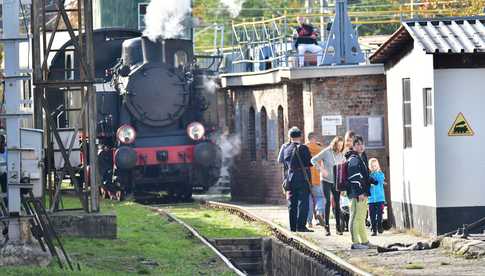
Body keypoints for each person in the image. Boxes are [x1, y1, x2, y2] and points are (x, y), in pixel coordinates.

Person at [278, 127, 313, 232]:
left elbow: (283, 162)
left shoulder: (286, 148)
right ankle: (301, 226)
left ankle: (293, 227)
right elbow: (309, 162)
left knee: (292, 203)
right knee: (304, 202)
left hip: (291, 178)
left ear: (290, 137)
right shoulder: (304, 148)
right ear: (300, 136)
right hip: (303, 178)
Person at [311, 136, 345, 236]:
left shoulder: (341, 155)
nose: (339, 147)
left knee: (337, 203)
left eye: (341, 146)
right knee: (327, 202)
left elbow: (343, 168)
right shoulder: (327, 151)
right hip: (325, 180)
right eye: (338, 145)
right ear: (334, 144)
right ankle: (327, 228)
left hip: (336, 182)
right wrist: (321, 169)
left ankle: (338, 228)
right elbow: (313, 160)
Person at [346, 135, 371, 249]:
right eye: (358, 144)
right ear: (353, 146)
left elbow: (363, 176)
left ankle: (364, 241)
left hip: (363, 192)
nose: (361, 146)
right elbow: (354, 177)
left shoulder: (361, 157)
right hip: (357, 193)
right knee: (356, 217)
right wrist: (360, 192)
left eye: (362, 144)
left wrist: (373, 181)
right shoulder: (354, 159)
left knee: (361, 218)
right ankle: (355, 243)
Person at [305, 132, 324, 228]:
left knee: (308, 199)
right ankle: (319, 212)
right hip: (317, 177)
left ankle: (309, 222)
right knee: (320, 197)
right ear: (314, 139)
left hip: (307, 178)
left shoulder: (304, 148)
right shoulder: (320, 149)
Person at [368, 158, 386, 236]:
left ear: (377, 166)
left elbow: (380, 181)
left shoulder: (380, 174)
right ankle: (374, 230)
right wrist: (369, 183)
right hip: (371, 199)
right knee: (372, 215)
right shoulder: (369, 176)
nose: (373, 167)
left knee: (379, 214)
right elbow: (367, 185)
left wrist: (376, 174)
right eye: (372, 166)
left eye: (375, 166)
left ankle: (380, 226)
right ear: (370, 167)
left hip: (380, 199)